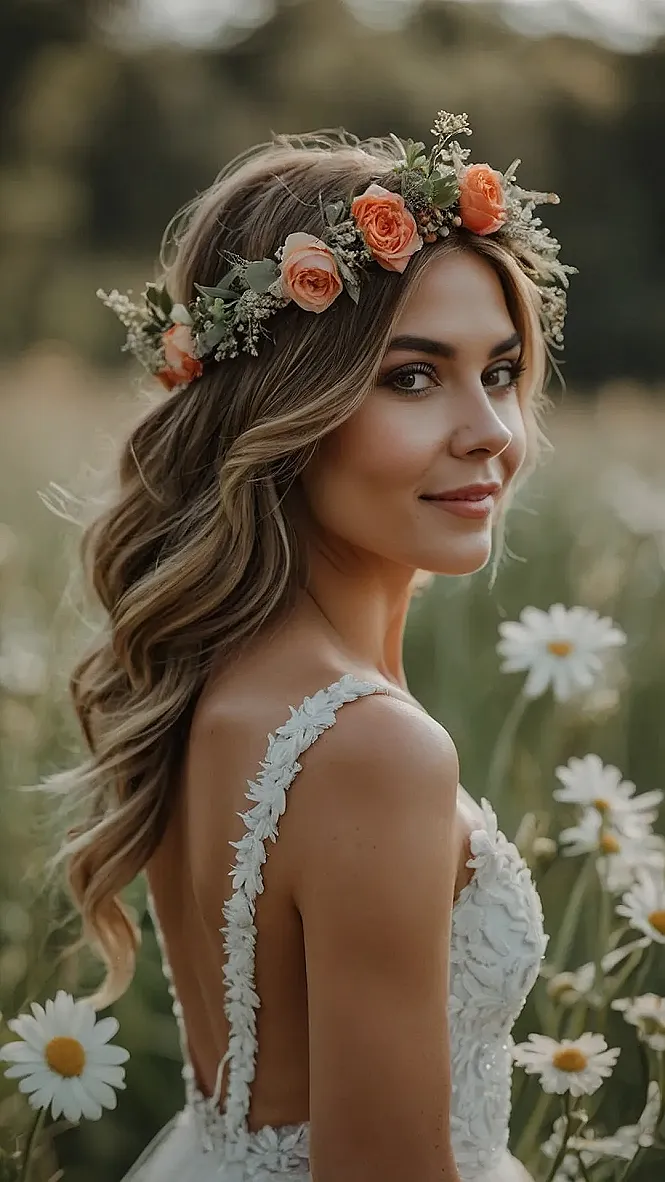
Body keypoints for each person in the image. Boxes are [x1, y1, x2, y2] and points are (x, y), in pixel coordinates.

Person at [56, 113, 571, 1181]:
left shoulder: (205, 676)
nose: (488, 431)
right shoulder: (370, 752)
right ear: (285, 407)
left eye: (500, 369)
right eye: (412, 377)